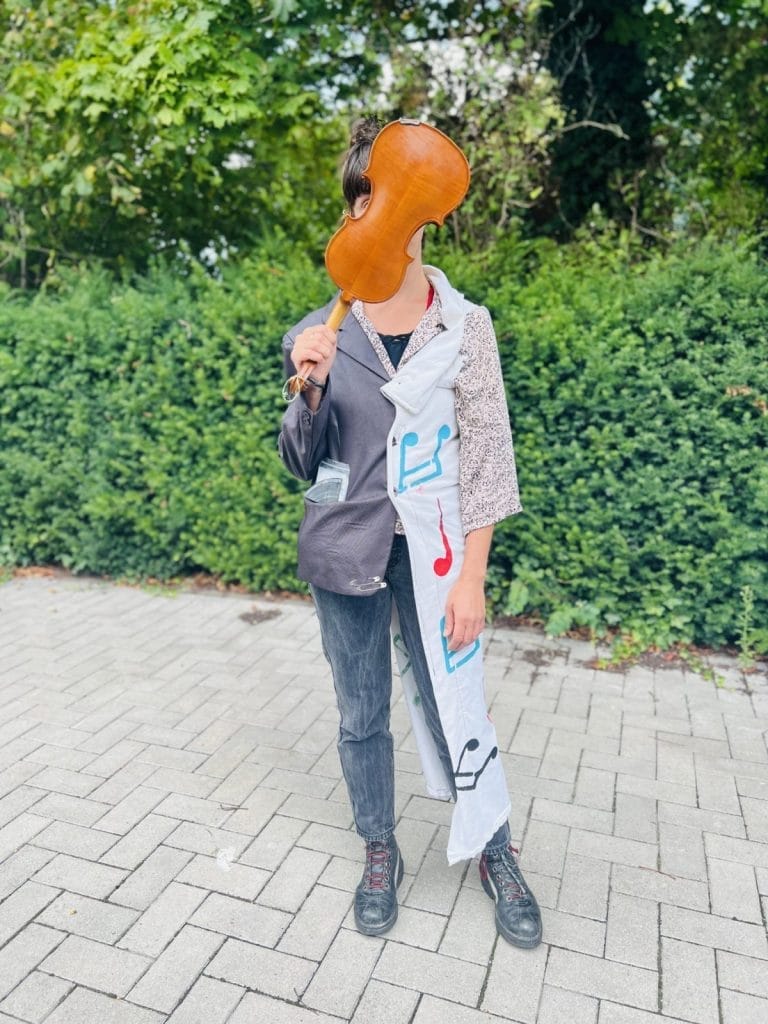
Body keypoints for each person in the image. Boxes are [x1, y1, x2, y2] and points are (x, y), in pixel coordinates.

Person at [277, 117, 541, 948]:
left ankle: (493, 847)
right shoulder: (321, 330)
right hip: (346, 548)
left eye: (384, 200)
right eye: (358, 203)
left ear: (422, 213)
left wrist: (472, 578)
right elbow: (301, 462)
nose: (371, 218)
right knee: (362, 712)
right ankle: (378, 848)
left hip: (436, 554)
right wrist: (310, 387)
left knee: (455, 701)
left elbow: (487, 461)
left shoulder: (465, 327)